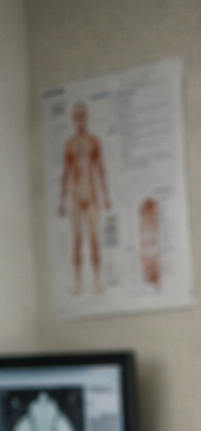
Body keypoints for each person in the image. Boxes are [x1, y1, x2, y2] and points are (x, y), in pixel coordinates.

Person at [59, 102, 111, 297]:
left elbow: (101, 169)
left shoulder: (93, 142)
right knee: (77, 241)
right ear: (73, 119)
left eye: (82, 116)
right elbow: (65, 174)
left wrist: (106, 196)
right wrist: (62, 201)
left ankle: (97, 281)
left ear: (86, 117)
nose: (79, 120)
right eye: (76, 117)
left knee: (94, 239)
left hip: (91, 194)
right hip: (74, 195)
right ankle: (78, 283)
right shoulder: (69, 145)